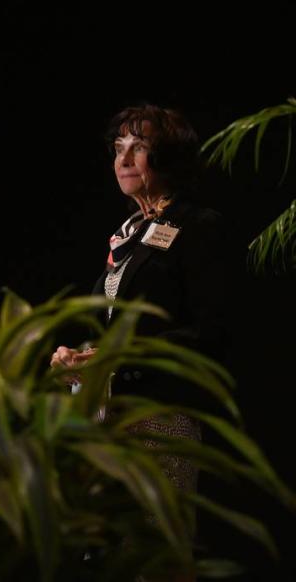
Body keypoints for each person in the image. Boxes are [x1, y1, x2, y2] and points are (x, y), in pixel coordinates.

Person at [51, 104, 233, 493]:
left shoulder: (197, 226)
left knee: (153, 546)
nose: (124, 159)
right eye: (119, 148)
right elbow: (114, 328)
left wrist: (120, 355)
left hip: (159, 421)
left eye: (139, 146)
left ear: (168, 156)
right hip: (106, 422)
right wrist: (78, 357)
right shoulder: (128, 234)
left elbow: (210, 333)